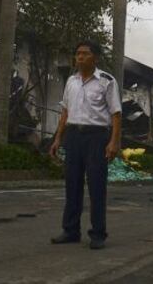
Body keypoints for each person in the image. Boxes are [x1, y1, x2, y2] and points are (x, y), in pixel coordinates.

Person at [49, 40, 122, 250]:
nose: (79, 57)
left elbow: (116, 114)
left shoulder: (107, 81)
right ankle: (71, 231)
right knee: (72, 184)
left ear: (95, 58)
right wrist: (57, 139)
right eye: (77, 53)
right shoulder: (71, 81)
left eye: (85, 53)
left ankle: (98, 234)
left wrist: (113, 142)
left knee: (97, 186)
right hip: (73, 136)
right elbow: (65, 112)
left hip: (96, 137)